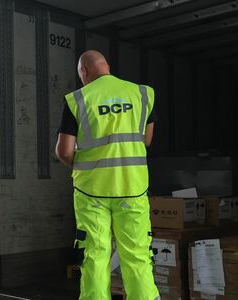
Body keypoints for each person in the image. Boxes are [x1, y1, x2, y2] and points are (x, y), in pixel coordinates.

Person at [55, 50, 158, 300]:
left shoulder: (77, 99)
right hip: (132, 189)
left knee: (94, 257)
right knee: (136, 257)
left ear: (84, 71)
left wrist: (86, 165)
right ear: (107, 66)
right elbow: (146, 140)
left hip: (92, 193)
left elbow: (64, 151)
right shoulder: (142, 94)